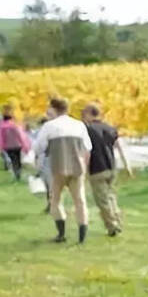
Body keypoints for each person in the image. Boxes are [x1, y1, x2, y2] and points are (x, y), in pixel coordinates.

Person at [35, 97, 92, 243]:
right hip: (77, 166)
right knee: (80, 201)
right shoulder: (79, 125)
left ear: (53, 108)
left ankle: (61, 234)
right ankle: (82, 236)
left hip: (58, 166)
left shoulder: (49, 126)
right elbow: (88, 147)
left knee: (56, 200)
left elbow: (39, 147)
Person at [82, 103, 123, 236]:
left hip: (97, 168)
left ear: (89, 114)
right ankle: (117, 220)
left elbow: (86, 150)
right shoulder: (109, 128)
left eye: (84, 114)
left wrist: (84, 169)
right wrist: (126, 164)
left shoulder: (88, 130)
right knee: (111, 196)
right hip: (111, 166)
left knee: (102, 200)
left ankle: (112, 226)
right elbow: (118, 145)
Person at [32, 108, 56, 213]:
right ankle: (52, 204)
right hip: (49, 159)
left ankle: (52, 204)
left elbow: (37, 147)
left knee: (48, 183)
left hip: (46, 159)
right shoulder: (52, 130)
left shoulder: (40, 132)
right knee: (51, 183)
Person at [0, 109, 31, 181]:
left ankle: (16, 173)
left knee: (13, 160)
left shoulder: (1, 127)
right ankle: (18, 173)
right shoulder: (15, 126)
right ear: (11, 118)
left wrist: (0, 147)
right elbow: (21, 136)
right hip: (17, 146)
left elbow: (0, 138)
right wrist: (25, 146)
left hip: (8, 147)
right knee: (18, 159)